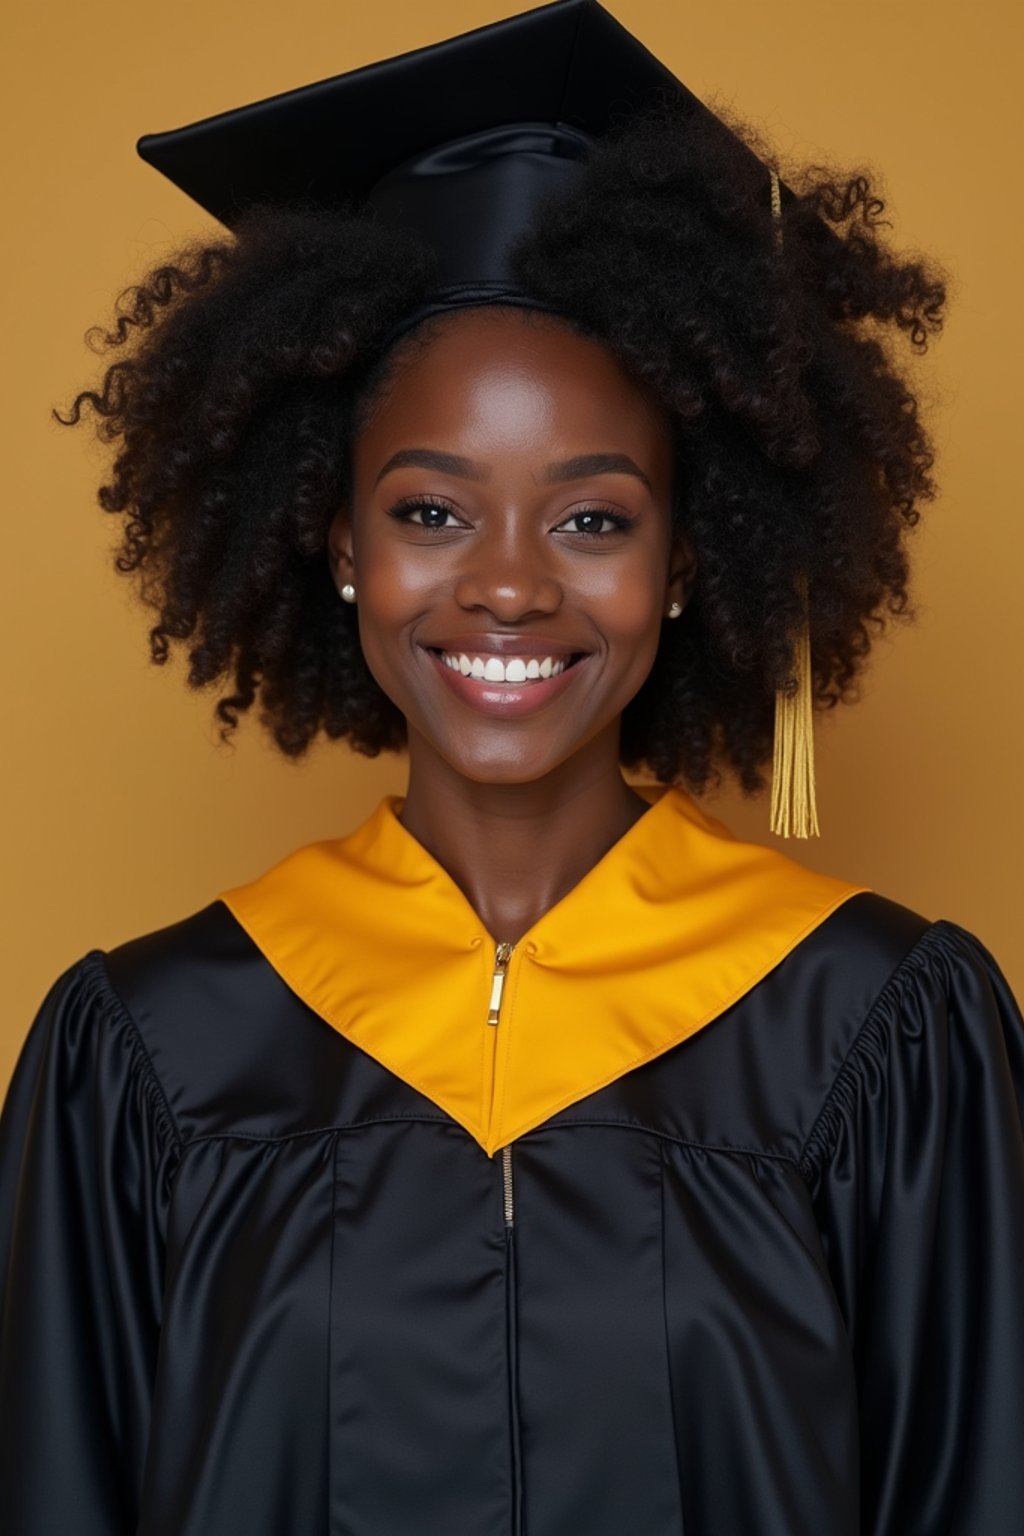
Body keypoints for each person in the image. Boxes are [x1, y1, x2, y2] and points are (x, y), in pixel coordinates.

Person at [2, 1, 1022, 1532]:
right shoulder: (144, 1057)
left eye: (595, 518)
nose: (508, 585)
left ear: (690, 563)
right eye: (431, 511)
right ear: (337, 543)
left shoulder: (876, 1035)